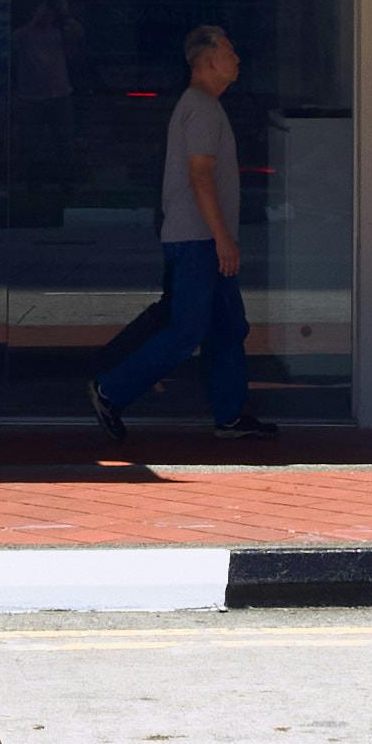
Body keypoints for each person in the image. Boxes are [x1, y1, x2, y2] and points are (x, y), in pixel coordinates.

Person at [91, 24, 266, 439]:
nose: (237, 57)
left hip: (202, 239)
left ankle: (229, 414)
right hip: (197, 240)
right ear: (207, 60)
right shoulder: (202, 107)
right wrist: (222, 237)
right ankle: (110, 391)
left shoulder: (204, 105)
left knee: (228, 326)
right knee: (187, 330)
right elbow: (200, 176)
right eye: (229, 49)